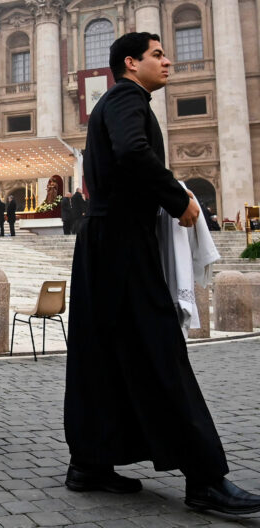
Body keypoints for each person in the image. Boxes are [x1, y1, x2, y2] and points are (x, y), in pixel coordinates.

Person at [65, 32, 260, 515]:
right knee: (161, 352)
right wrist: (179, 200)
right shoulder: (129, 99)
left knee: (101, 354)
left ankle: (90, 462)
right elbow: (133, 153)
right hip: (123, 245)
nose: (168, 60)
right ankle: (206, 480)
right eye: (157, 54)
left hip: (102, 243)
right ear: (131, 63)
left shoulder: (114, 101)